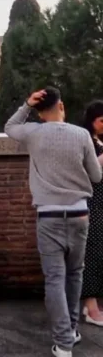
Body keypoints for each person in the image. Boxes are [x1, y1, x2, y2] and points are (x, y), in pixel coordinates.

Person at [5, 87, 102, 357]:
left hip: (48, 215)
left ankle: (63, 342)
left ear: (39, 110)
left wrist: (26, 104)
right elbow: (95, 177)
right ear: (62, 106)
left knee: (55, 280)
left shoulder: (33, 132)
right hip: (79, 214)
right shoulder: (82, 135)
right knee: (74, 275)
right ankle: (70, 331)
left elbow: (10, 126)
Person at [81, 100, 103, 326]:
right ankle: (91, 306)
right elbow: (89, 172)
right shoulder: (87, 142)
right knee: (92, 254)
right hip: (92, 203)